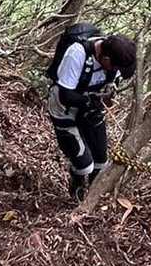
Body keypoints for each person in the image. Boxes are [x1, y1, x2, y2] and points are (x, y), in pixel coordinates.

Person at [45, 26, 137, 202]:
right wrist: (89, 101)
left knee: (101, 160)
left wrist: (107, 95)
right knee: (84, 164)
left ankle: (93, 195)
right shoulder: (77, 53)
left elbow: (117, 78)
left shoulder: (116, 59)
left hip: (91, 108)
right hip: (64, 108)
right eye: (114, 66)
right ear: (105, 58)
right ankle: (77, 181)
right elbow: (65, 95)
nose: (115, 70)